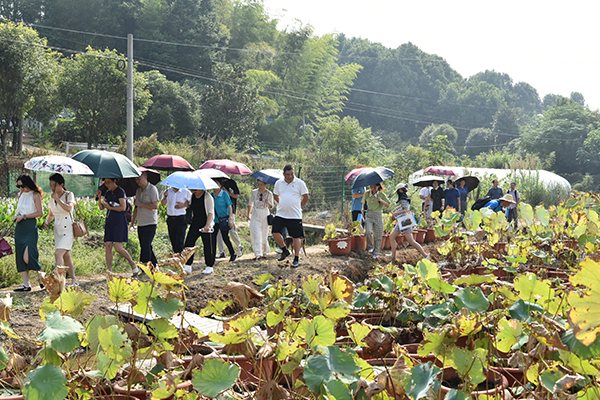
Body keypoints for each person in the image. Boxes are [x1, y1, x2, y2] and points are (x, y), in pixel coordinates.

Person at [96, 178, 138, 275]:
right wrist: (99, 198)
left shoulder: (120, 191)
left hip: (119, 222)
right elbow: (102, 207)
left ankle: (132, 264)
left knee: (118, 248)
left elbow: (123, 207)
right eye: (105, 183)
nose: (107, 184)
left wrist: (110, 207)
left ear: (115, 181)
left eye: (109, 182)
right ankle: (110, 271)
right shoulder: (107, 192)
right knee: (108, 246)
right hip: (109, 221)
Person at [44, 173, 78, 287]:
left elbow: (68, 208)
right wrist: (46, 222)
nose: (52, 187)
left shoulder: (69, 194)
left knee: (58, 254)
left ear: (61, 184)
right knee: (66, 255)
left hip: (67, 229)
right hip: (57, 230)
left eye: (54, 185)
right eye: (51, 184)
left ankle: (59, 281)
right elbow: (51, 214)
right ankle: (74, 279)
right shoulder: (51, 198)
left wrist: (57, 199)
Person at [272, 165, 310, 268]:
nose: (290, 176)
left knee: (296, 236)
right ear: (283, 174)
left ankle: (296, 258)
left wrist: (299, 206)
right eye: (287, 174)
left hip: (295, 215)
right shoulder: (278, 183)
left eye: (291, 174)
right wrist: (281, 204)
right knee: (275, 232)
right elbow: (275, 195)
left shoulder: (300, 183)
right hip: (281, 213)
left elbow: (306, 197)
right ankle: (285, 250)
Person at [13, 174, 44, 292]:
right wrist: (17, 216)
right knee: (20, 254)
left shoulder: (35, 195)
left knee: (29, 255)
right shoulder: (19, 195)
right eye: (18, 186)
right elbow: (19, 210)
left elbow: (39, 213)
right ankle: (26, 284)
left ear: (28, 184)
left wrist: (24, 217)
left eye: (22, 186)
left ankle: (42, 277)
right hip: (20, 226)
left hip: (30, 226)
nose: (21, 188)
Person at [390, 183, 430, 261]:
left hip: (405, 222)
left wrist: (395, 213)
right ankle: (393, 256)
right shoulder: (405, 198)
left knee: (411, 241)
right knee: (391, 237)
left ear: (400, 190)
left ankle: (425, 255)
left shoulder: (403, 199)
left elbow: (406, 210)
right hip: (402, 221)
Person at [183, 188, 215, 274]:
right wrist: (187, 205)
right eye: (193, 189)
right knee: (189, 243)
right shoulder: (193, 196)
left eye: (196, 189)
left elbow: (210, 212)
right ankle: (188, 266)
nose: (194, 190)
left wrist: (207, 225)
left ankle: (209, 266)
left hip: (206, 223)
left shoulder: (208, 197)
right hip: (195, 223)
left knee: (207, 245)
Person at [130, 171, 159, 267]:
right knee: (145, 245)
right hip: (141, 223)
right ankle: (155, 265)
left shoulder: (152, 189)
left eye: (139, 178)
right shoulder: (138, 191)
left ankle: (144, 266)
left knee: (146, 245)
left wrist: (141, 204)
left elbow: (155, 205)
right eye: (136, 179)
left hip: (150, 222)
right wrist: (133, 222)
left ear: (145, 177)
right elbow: (136, 208)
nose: (137, 181)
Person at [216, 177, 243, 258]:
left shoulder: (232, 182)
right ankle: (221, 251)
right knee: (219, 232)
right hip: (219, 212)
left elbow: (237, 196)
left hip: (230, 210)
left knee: (232, 230)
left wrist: (227, 192)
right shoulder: (217, 180)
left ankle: (239, 247)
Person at [362, 182, 390, 259]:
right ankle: (371, 246)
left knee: (378, 235)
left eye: (374, 186)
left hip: (378, 215)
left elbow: (388, 205)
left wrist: (381, 200)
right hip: (369, 214)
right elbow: (363, 203)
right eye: (371, 186)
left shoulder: (381, 195)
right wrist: (362, 209)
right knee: (368, 231)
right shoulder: (367, 193)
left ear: (378, 186)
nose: (372, 187)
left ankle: (376, 252)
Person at [161, 186, 192, 254]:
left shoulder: (186, 191)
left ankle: (181, 259)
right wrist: (165, 196)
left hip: (181, 219)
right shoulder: (167, 191)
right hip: (171, 219)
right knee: (173, 241)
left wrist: (184, 205)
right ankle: (177, 258)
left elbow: (192, 202)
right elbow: (163, 204)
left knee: (179, 241)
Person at [248, 179, 273, 260]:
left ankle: (264, 252)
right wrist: (248, 214)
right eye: (259, 184)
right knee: (257, 234)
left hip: (265, 214)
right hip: (255, 215)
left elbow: (271, 206)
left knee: (264, 234)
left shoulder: (269, 193)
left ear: (265, 184)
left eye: (262, 184)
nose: (260, 186)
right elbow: (250, 203)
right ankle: (258, 253)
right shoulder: (254, 192)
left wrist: (268, 202)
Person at [212, 179, 236, 262]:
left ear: (220, 185)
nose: (215, 185)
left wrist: (230, 219)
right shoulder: (211, 195)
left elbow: (230, 207)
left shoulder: (224, 194)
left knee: (225, 238)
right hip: (214, 220)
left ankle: (232, 254)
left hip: (224, 219)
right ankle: (212, 256)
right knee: (212, 238)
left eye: (217, 183)